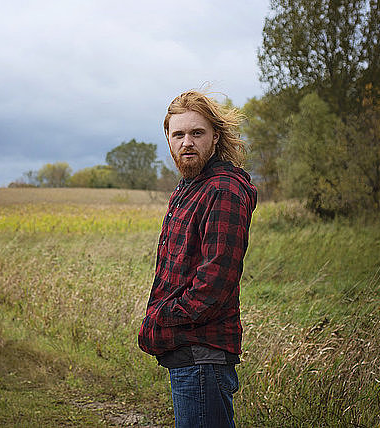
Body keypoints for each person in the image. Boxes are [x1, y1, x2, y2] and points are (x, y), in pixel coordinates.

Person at [138, 90, 257, 428]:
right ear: (169, 139)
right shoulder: (189, 188)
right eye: (178, 134)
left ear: (215, 137)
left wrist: (162, 318)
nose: (186, 142)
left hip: (203, 353)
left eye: (197, 133)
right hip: (188, 353)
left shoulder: (223, 190)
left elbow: (214, 284)